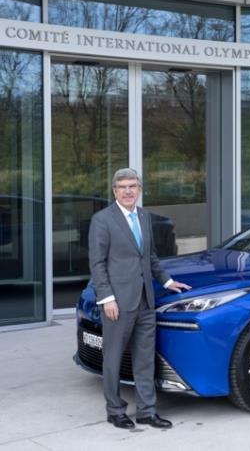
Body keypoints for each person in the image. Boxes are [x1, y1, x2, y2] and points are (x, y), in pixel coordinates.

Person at [89, 168, 191, 429]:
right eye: (122, 186)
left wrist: (167, 281)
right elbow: (97, 263)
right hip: (118, 302)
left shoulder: (144, 217)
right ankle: (115, 410)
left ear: (140, 189)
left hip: (146, 299)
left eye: (132, 185)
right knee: (112, 357)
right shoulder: (102, 220)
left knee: (145, 358)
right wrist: (107, 298)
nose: (127, 191)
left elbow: (150, 257)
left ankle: (147, 410)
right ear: (114, 191)